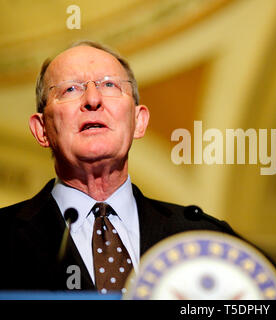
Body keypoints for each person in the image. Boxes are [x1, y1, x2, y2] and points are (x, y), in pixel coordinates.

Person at [0, 41, 239, 293]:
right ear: (41, 130)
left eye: (109, 85)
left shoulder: (206, 239)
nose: (92, 99)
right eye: (70, 89)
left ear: (138, 121)